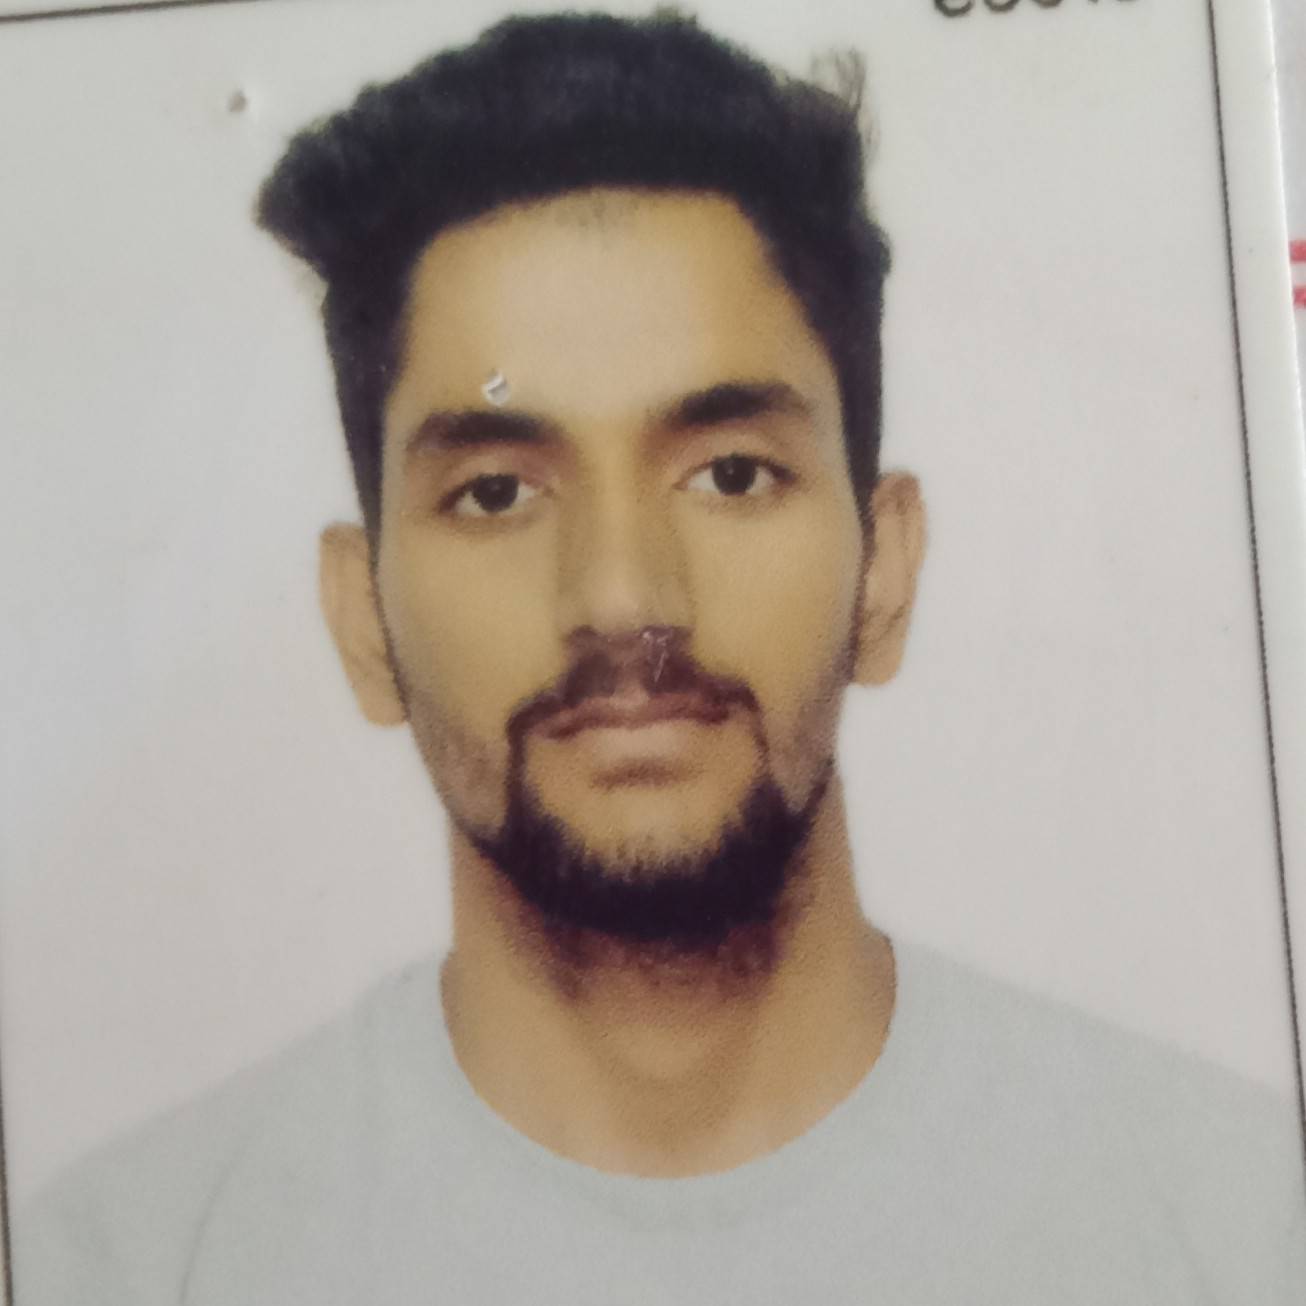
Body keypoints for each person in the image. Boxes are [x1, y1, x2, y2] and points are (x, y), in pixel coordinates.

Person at [13, 11, 1306, 1304]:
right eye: (496, 493)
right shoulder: (115, 1267)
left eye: (730, 473)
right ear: (362, 621)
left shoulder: (1242, 1225)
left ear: (885, 571)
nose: (623, 595)